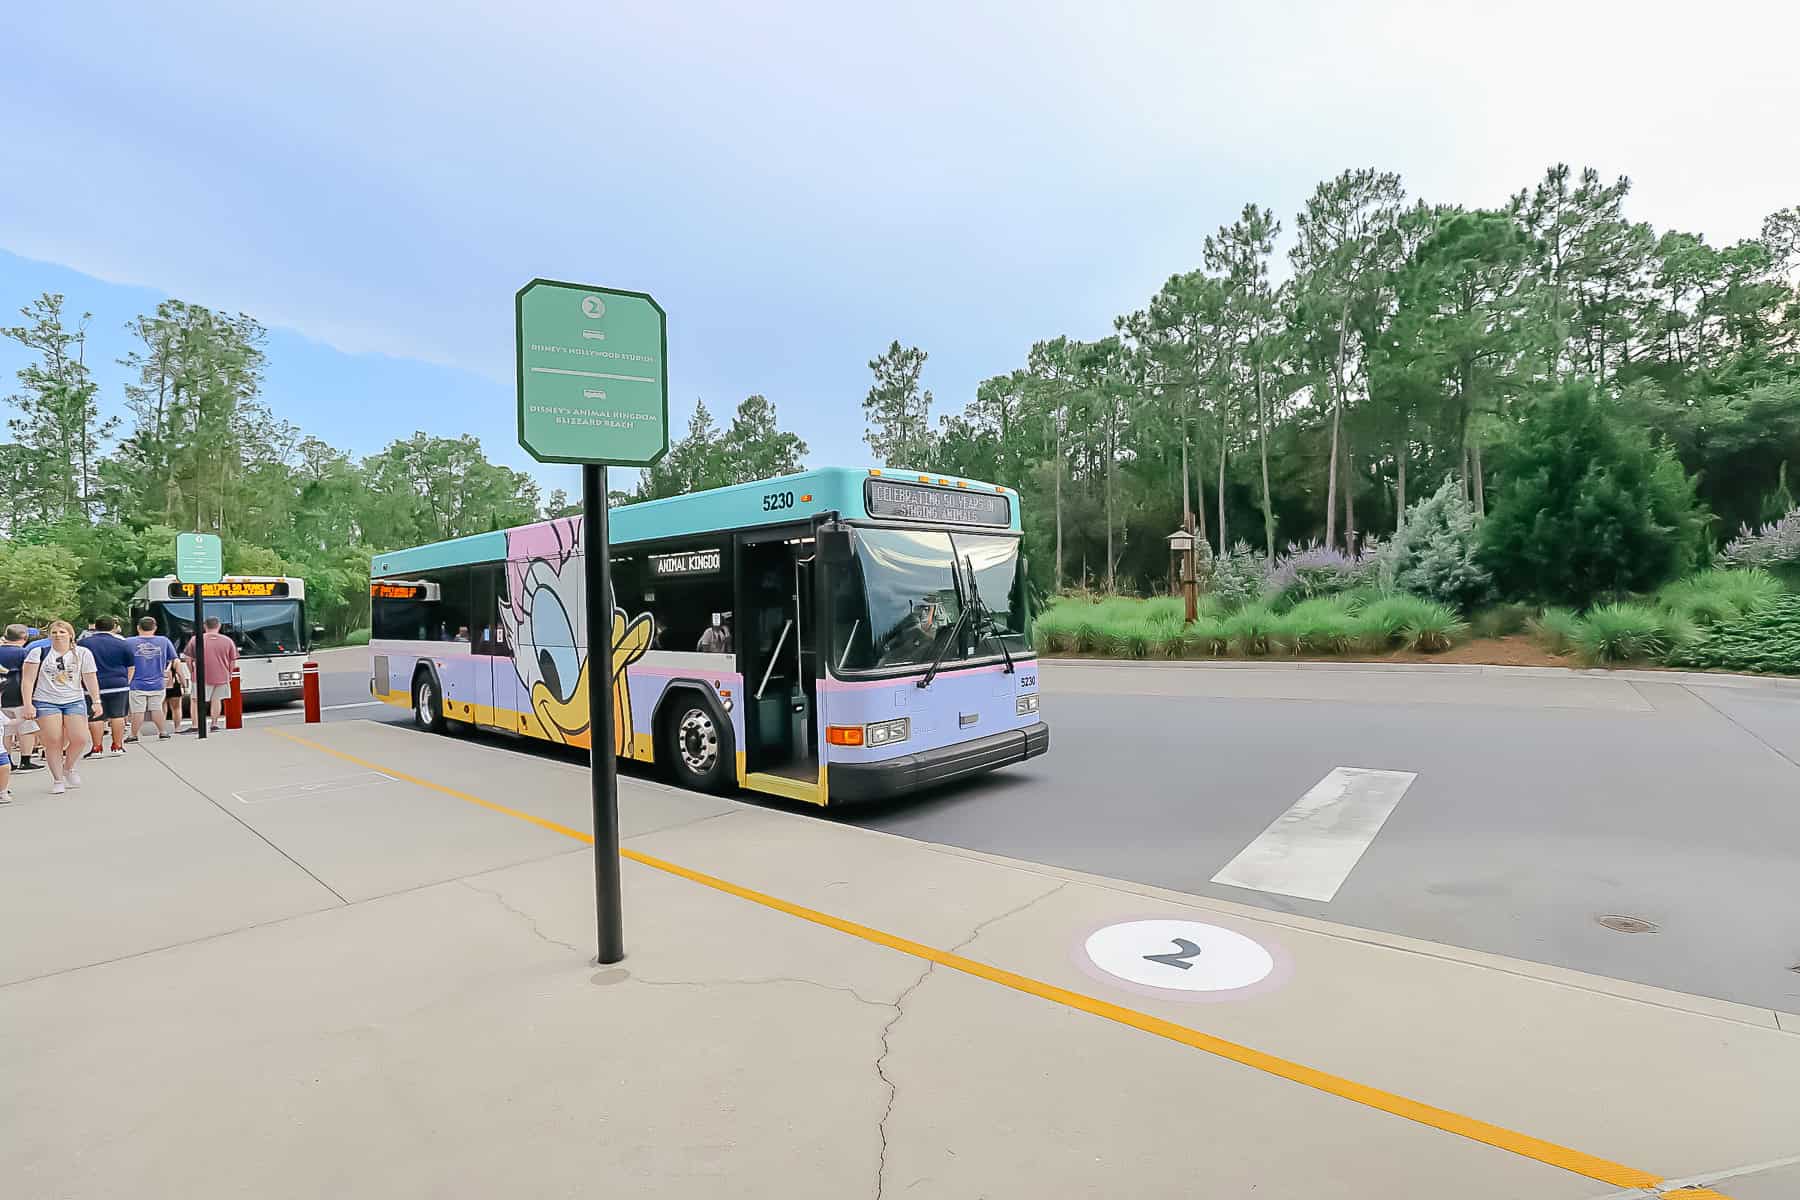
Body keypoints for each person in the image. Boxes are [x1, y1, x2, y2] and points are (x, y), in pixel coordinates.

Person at [19, 620, 102, 795]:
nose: (58, 635)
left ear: (70, 634)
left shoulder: (82, 653)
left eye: (62, 632)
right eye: (55, 632)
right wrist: (28, 704)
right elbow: (27, 680)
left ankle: (69, 767)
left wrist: (96, 700)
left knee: (80, 738)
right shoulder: (38, 652)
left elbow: (90, 678)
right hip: (45, 700)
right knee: (53, 740)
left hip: (74, 699)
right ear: (49, 635)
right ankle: (57, 779)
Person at [79, 617, 135, 756]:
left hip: (92, 685)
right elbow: (131, 666)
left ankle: (97, 747)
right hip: (118, 684)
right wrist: (126, 681)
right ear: (114, 627)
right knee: (118, 716)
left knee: (95, 717)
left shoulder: (83, 644)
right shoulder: (122, 643)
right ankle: (117, 746)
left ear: (95, 627)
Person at [126, 616, 180, 742]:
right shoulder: (164, 641)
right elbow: (174, 659)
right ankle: (163, 732)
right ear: (155, 628)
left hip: (136, 682)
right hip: (158, 682)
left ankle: (134, 735)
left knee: (138, 710)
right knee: (156, 708)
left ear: (138, 627)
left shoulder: (128, 642)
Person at [182, 616, 238, 732]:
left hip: (200, 676)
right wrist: (229, 673)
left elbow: (188, 658)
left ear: (205, 626)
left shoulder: (195, 639)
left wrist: (192, 671)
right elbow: (233, 660)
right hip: (222, 675)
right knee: (216, 699)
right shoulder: (228, 641)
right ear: (219, 626)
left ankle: (195, 725)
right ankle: (214, 724)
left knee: (195, 700)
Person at [0, 623, 40, 771]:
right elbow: (30, 676)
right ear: (24, 637)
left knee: (5, 730)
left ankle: (7, 760)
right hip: (19, 694)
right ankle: (25, 759)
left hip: (2, 694)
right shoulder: (24, 653)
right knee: (26, 728)